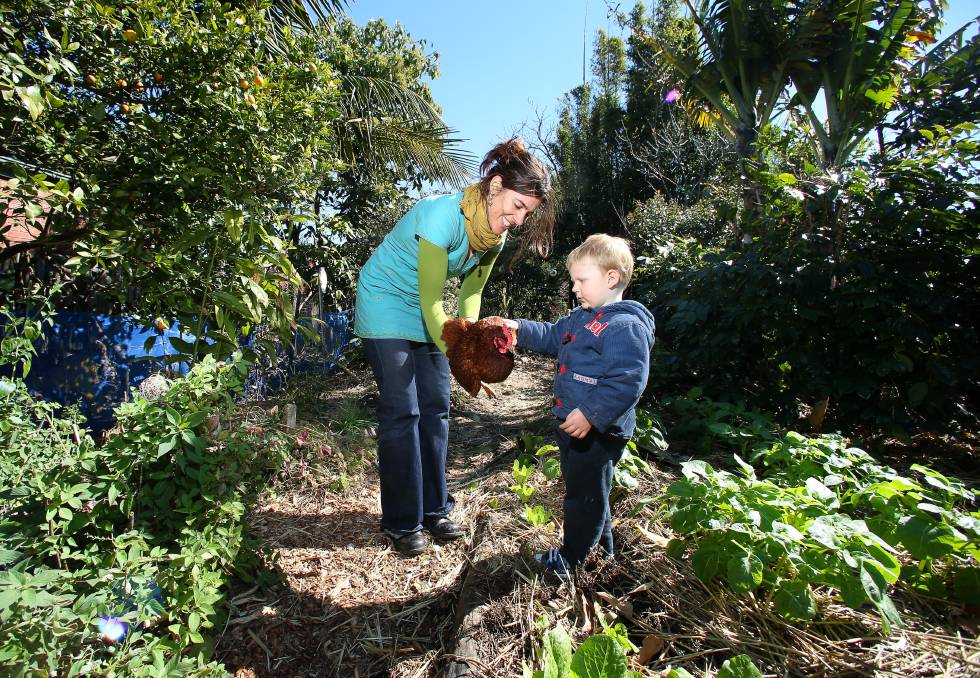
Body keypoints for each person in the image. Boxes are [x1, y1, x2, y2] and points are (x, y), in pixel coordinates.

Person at [354, 138, 555, 556]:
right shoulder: (443, 217)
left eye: (527, 213)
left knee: (437, 405)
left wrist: (477, 344)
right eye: (517, 205)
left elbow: (468, 301)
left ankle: (434, 509)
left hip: (426, 310)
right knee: (403, 410)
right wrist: (459, 355)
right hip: (386, 300)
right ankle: (401, 520)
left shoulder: (493, 240)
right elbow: (431, 301)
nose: (518, 219)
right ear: (496, 186)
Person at [504, 234, 655, 573]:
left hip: (599, 432)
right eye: (574, 280)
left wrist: (590, 414)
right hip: (573, 426)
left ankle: (573, 559)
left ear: (611, 278)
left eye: (581, 280)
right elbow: (551, 336)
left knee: (583, 498)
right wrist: (518, 328)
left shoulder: (624, 326)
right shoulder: (581, 317)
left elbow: (628, 381)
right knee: (589, 492)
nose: (574, 287)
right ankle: (601, 556)